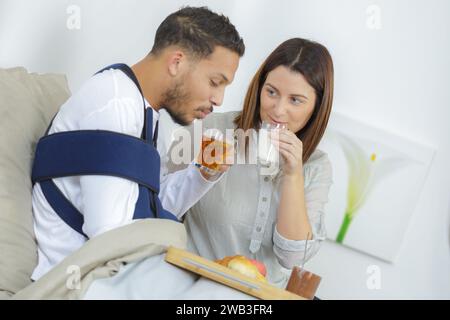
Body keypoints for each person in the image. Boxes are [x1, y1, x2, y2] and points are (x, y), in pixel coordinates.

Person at [30, 6, 244, 280]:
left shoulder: (147, 115)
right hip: (76, 283)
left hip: (109, 276)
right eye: (215, 82)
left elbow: (153, 205)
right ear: (177, 62)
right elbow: (108, 238)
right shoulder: (113, 105)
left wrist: (202, 174)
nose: (219, 99)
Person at [168, 38, 334, 287]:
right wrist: (200, 174)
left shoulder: (316, 166)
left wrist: (293, 175)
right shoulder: (212, 130)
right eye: (271, 92)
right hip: (190, 286)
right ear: (259, 87)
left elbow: (292, 258)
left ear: (317, 107)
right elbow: (157, 207)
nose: (278, 110)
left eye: (295, 100)